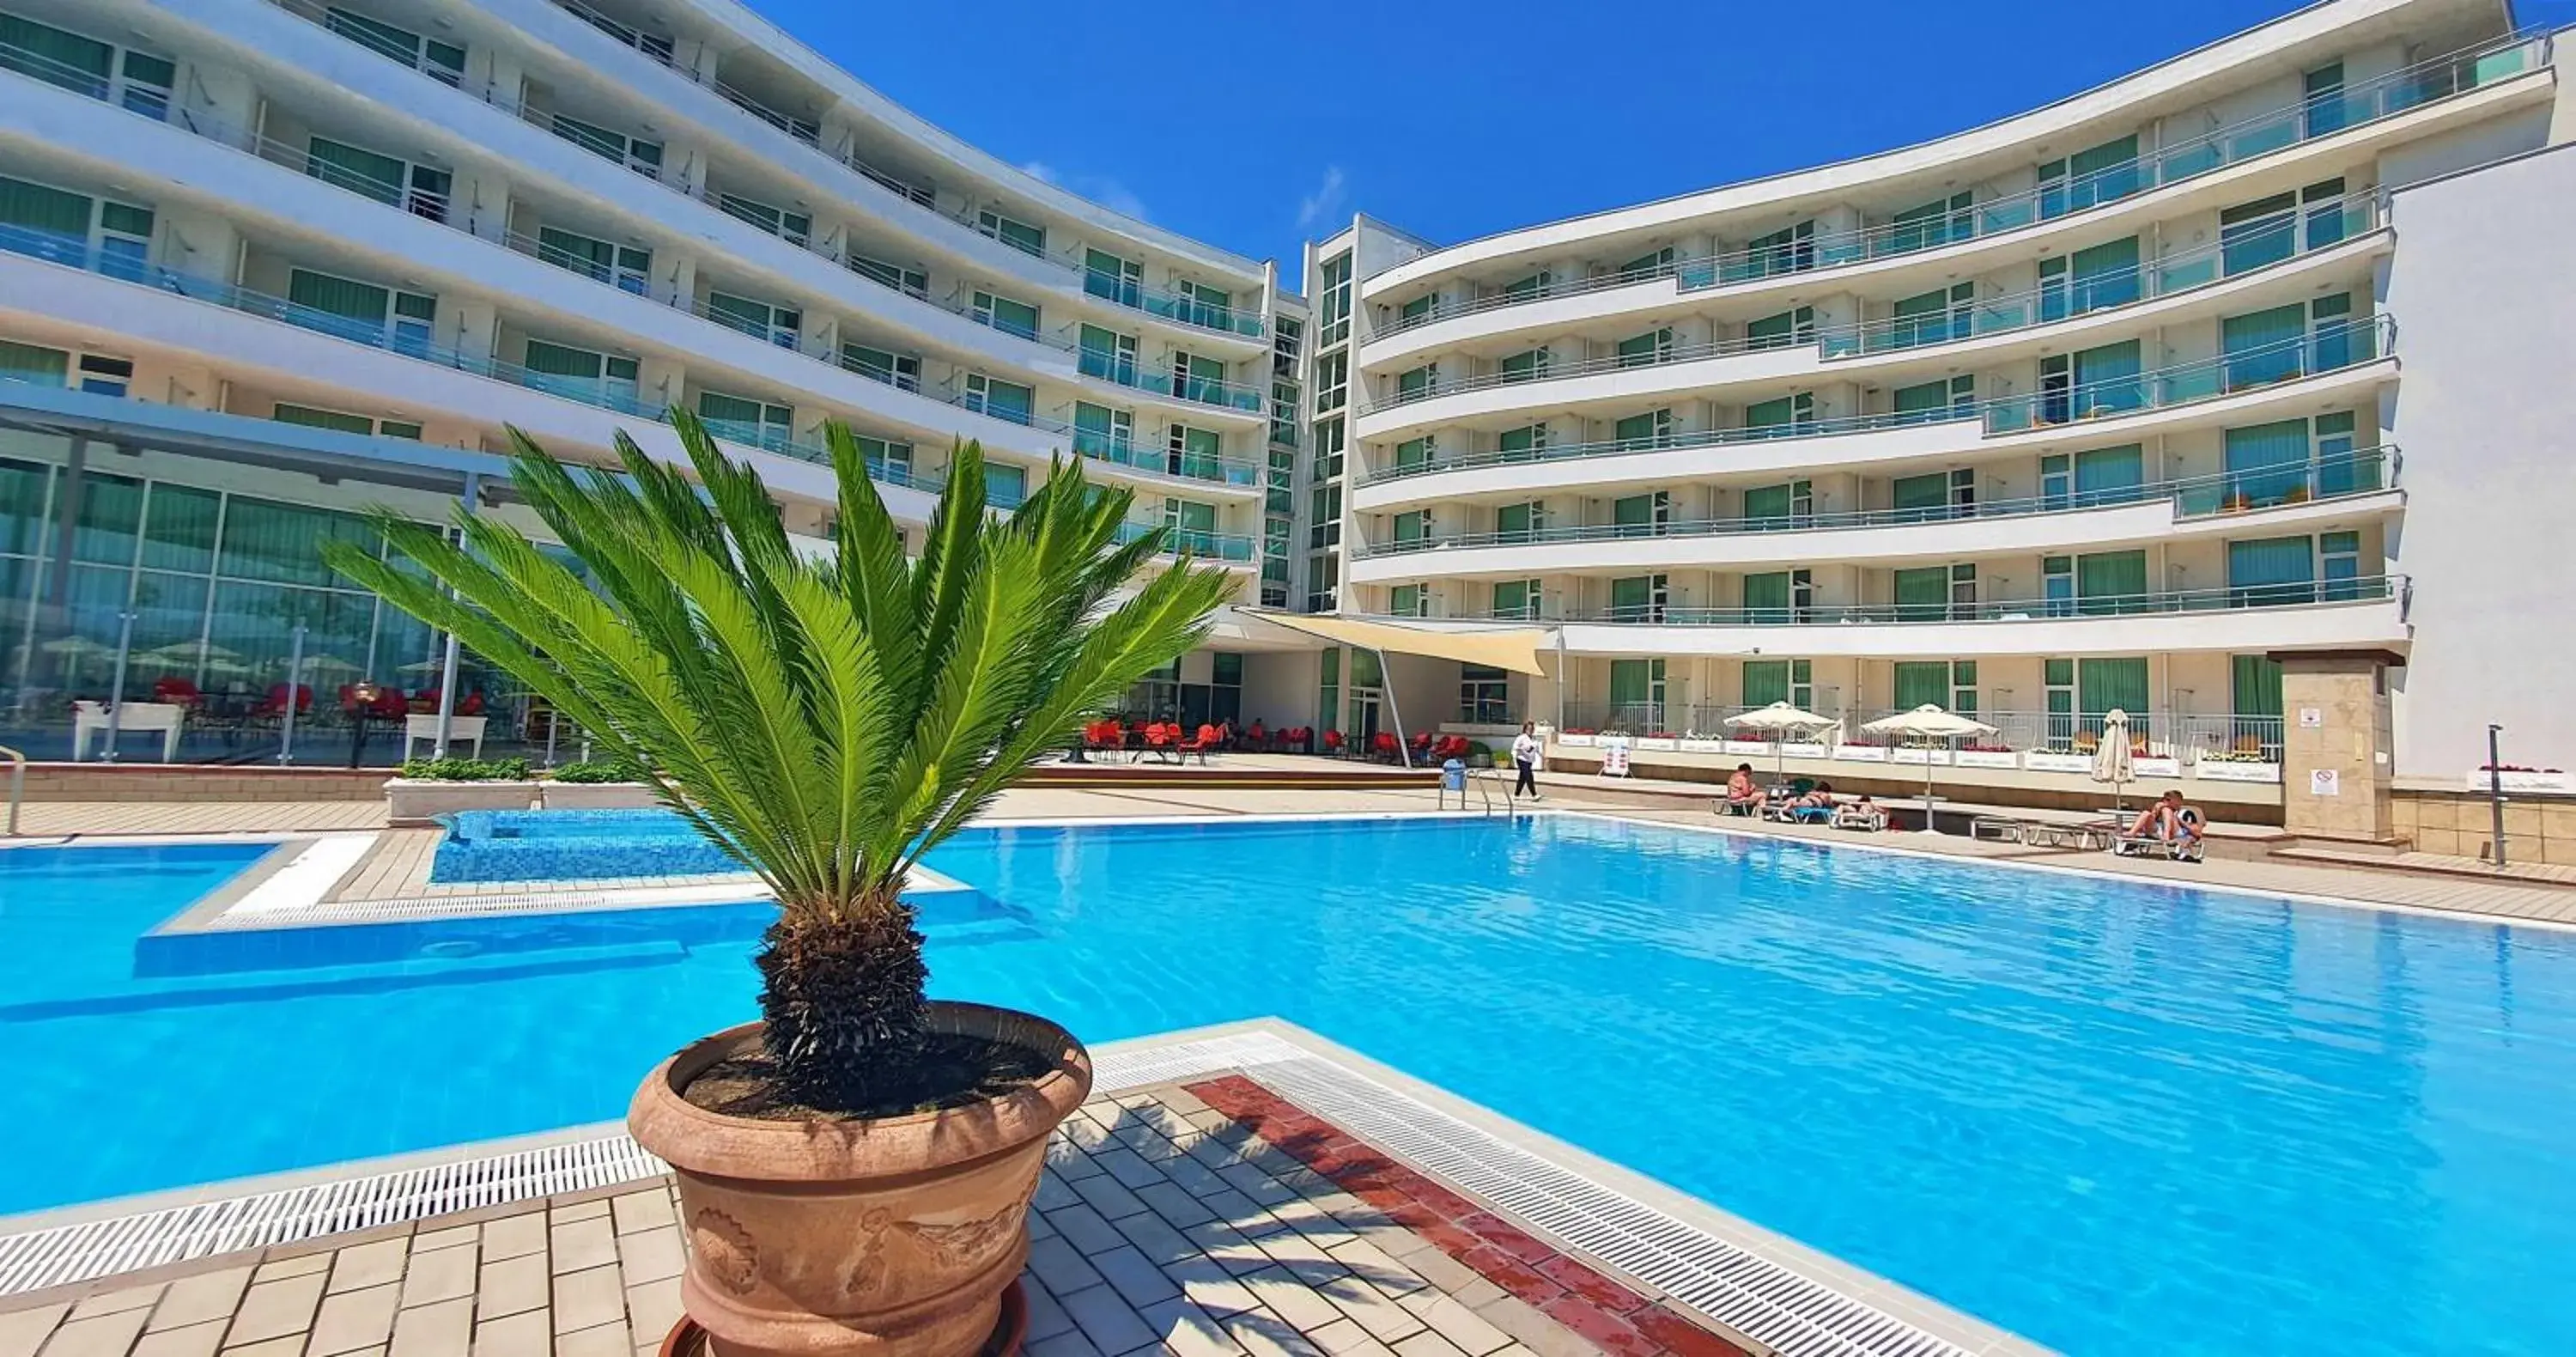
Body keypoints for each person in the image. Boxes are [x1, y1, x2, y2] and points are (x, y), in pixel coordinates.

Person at [1510, 722, 1542, 800]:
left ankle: (1516, 794)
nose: (1530, 731)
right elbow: (1515, 747)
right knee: (1529, 776)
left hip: (1529, 760)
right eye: (1528, 729)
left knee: (1523, 778)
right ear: (1525, 729)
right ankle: (1534, 795)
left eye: (1531, 729)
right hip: (1521, 759)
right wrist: (1524, 749)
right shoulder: (1521, 738)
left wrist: (1543, 756)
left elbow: (1537, 750)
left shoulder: (1534, 739)